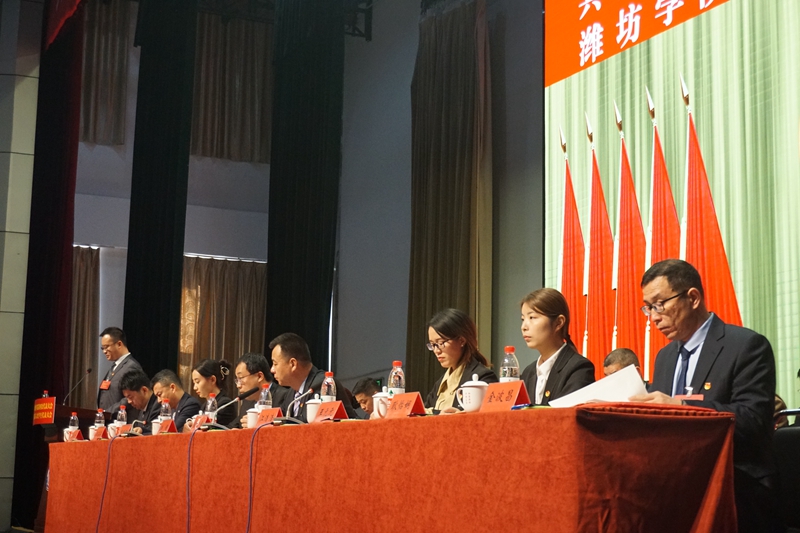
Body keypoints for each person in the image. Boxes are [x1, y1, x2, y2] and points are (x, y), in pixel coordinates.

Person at [630, 259, 779, 533]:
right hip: (677, 490)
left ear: (693, 298)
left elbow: (753, 421)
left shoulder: (746, 346)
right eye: (648, 308)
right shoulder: (665, 357)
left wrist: (681, 407)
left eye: (659, 305)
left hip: (736, 489)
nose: (653, 317)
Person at [519, 289, 594, 405]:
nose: (524, 327)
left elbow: (567, 414)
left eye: (532, 317)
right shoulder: (528, 372)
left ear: (559, 322)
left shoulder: (579, 369)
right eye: (523, 319)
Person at [269, 332, 357, 421]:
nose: (272, 370)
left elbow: (308, 421)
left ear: (293, 364)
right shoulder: (291, 394)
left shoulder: (323, 385)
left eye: (275, 364)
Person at [424, 309, 497, 413]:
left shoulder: (483, 377)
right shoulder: (440, 383)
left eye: (440, 343)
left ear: (461, 341)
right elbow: (422, 414)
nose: (436, 350)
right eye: (432, 345)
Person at [231, 352, 288, 429]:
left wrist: (259, 423)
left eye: (241, 378)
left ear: (259, 376)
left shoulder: (283, 396)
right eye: (237, 380)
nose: (238, 385)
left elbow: (286, 425)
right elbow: (233, 426)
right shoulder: (247, 402)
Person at [97, 327, 143, 419]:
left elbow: (131, 397)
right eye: (102, 348)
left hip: (121, 420)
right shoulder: (115, 366)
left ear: (119, 344)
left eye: (106, 347)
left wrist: (108, 412)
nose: (104, 351)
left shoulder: (131, 366)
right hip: (108, 419)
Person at [184, 359, 236, 429]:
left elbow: (212, 429)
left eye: (198, 382)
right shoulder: (205, 405)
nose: (194, 387)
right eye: (194, 383)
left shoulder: (225, 404)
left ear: (212, 380)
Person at [119, 369, 160, 435]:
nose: (129, 402)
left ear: (144, 390)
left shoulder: (158, 404)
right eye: (127, 398)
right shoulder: (142, 409)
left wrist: (142, 430)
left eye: (130, 397)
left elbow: (154, 430)